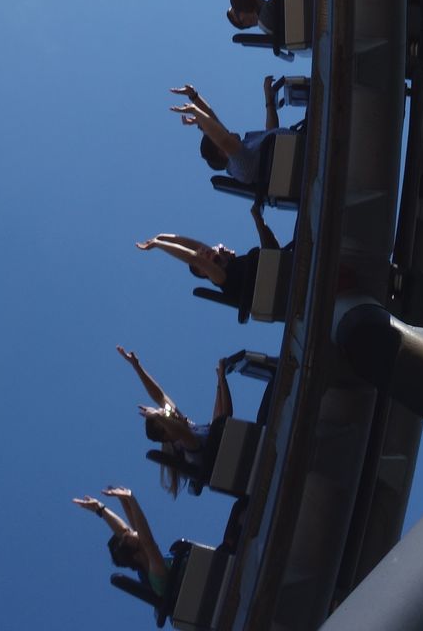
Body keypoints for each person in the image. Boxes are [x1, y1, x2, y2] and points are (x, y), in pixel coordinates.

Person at [115, 347, 233, 496]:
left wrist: (137, 367)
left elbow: (160, 396)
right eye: (167, 417)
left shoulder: (192, 429)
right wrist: (158, 416)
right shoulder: (187, 447)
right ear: (167, 435)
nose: (172, 413)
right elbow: (223, 420)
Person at [136, 204, 281, 310]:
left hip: (280, 265)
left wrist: (162, 236)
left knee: (265, 250)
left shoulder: (235, 261)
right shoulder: (222, 278)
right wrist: (158, 243)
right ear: (203, 272)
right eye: (203, 257)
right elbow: (194, 258)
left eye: (206, 250)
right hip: (273, 288)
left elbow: (197, 246)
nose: (204, 252)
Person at [169, 77, 286, 185]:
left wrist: (194, 96)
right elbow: (224, 140)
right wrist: (195, 111)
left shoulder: (249, 150)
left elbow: (272, 134)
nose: (227, 132)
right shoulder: (241, 167)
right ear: (222, 151)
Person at [73, 486, 173, 604]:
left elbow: (126, 531)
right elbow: (148, 542)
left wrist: (101, 508)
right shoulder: (156, 579)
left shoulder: (149, 565)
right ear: (136, 556)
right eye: (129, 535)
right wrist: (131, 499)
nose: (132, 531)